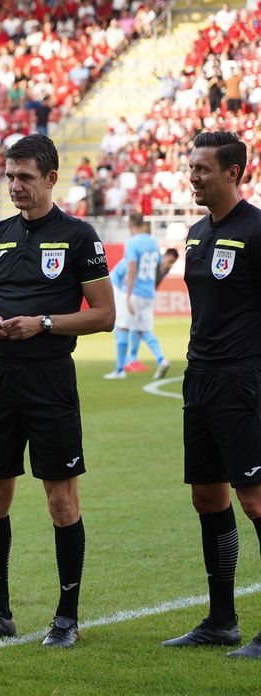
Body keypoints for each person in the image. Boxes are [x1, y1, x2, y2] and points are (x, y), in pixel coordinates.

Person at [0, 134, 114, 649]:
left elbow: (104, 315)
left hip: (50, 380)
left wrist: (44, 323)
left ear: (51, 178)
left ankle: (66, 617)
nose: (15, 187)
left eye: (25, 177)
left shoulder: (78, 235)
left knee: (60, 500)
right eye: (9, 177)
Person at [161, 130, 261, 658]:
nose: (193, 176)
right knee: (208, 497)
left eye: (202, 168)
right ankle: (221, 620)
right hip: (199, 379)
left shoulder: (257, 230)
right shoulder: (197, 233)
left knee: (255, 500)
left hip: (243, 381)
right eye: (191, 167)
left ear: (233, 173)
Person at [122, 213, 170, 379]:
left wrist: (127, 295)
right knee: (139, 327)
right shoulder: (153, 242)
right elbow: (160, 266)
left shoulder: (132, 243)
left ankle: (161, 359)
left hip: (136, 291)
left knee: (141, 330)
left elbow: (132, 269)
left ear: (131, 226)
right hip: (149, 292)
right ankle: (133, 359)